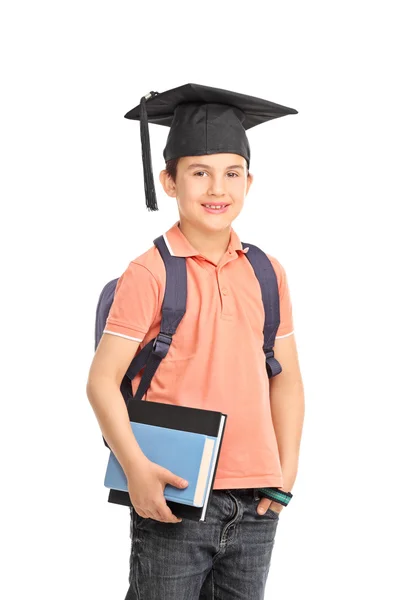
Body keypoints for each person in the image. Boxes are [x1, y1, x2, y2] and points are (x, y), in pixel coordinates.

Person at [86, 83, 305, 600]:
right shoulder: (149, 273)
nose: (217, 188)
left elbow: (287, 377)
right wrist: (137, 471)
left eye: (231, 173)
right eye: (199, 172)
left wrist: (286, 471)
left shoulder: (267, 272)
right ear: (169, 180)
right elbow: (102, 381)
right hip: (174, 495)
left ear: (248, 182)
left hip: (256, 502)